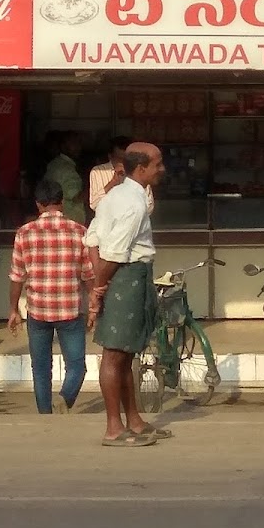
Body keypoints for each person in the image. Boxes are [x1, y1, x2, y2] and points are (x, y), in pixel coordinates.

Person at [87, 142, 171, 448]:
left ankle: (133, 420)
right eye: (158, 164)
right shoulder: (133, 204)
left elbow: (93, 239)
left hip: (123, 275)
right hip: (125, 276)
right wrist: (99, 288)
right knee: (114, 354)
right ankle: (113, 427)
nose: (162, 169)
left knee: (127, 354)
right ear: (142, 168)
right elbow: (115, 252)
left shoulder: (116, 195)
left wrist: (99, 282)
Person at [7, 179, 94, 415]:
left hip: (38, 311)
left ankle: (45, 414)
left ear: (38, 205)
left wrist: (13, 309)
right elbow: (88, 275)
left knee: (41, 368)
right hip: (70, 310)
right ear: (62, 202)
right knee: (76, 365)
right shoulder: (79, 232)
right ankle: (65, 398)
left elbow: (17, 276)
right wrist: (95, 304)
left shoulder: (24, 234)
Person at [88, 135, 155, 216]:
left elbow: (149, 206)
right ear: (110, 156)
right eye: (119, 159)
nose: (122, 164)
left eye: (125, 160)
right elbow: (94, 205)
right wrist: (113, 182)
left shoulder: (139, 172)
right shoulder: (98, 171)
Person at [44, 131, 86, 225]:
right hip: (70, 222)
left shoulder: (54, 164)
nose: (78, 147)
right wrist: (95, 190)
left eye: (79, 143)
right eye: (74, 144)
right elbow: (76, 196)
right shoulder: (67, 169)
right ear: (63, 146)